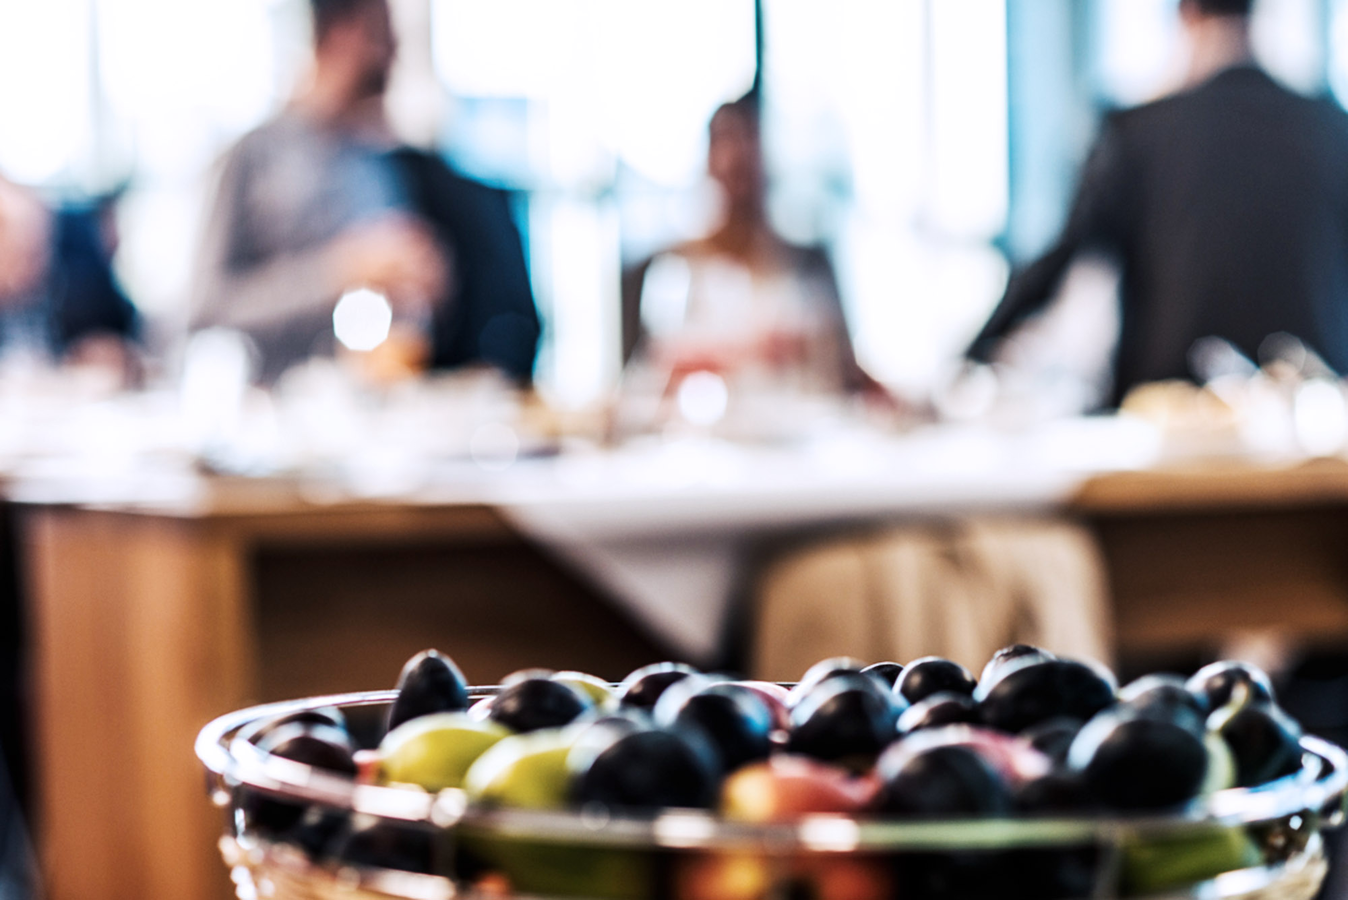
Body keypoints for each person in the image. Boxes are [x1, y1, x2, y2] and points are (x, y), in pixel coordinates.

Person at [966, 0, 1348, 407]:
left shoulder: (1137, 132)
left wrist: (971, 355)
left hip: (1166, 412)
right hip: (1313, 413)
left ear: (1187, 15)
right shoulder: (1333, 127)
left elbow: (1060, 258)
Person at [191, 0, 539, 384]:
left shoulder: (380, 163)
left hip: (379, 401)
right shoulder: (253, 156)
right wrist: (337, 273)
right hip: (275, 403)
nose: (393, 55)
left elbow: (416, 323)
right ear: (343, 32)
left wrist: (426, 292)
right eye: (383, 36)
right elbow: (202, 310)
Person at [624, 94, 881, 406]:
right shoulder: (674, 267)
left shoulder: (807, 266)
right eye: (726, 140)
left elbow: (844, 372)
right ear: (707, 159)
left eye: (750, 139)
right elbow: (647, 381)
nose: (739, 155)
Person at [0, 175, 139, 373]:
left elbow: (122, 337)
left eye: (33, 250)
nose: (24, 264)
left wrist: (92, 352)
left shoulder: (75, 278)